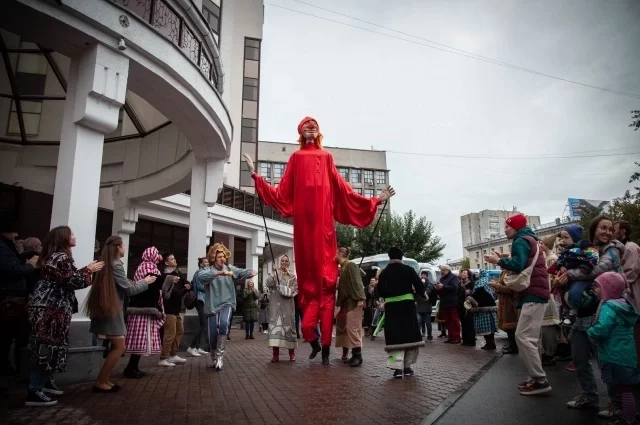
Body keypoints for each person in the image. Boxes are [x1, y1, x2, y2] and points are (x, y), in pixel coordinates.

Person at [243, 116, 395, 364]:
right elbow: (281, 194)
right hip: (303, 229)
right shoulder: (295, 158)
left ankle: (325, 352)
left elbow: (343, 189)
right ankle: (315, 343)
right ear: (301, 132)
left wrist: (375, 200)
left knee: (325, 292)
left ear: (318, 131)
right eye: (306, 127)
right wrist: (256, 176)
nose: (310, 130)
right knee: (310, 299)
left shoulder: (326, 158)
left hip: (324, 229)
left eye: (313, 127)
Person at [26, 226, 104, 406]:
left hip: (48, 307)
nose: (75, 236)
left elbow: (68, 278)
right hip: (51, 308)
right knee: (47, 348)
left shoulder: (55, 257)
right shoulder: (60, 257)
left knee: (47, 346)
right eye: (72, 234)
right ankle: (34, 390)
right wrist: (89, 270)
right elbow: (73, 281)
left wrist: (86, 270)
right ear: (63, 238)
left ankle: (43, 384)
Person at [485, 213, 551, 396]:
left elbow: (518, 264)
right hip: (536, 293)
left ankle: (540, 380)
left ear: (515, 227)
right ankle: (535, 377)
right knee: (531, 338)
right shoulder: (530, 239)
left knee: (523, 337)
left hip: (532, 294)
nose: (504, 229)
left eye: (507, 226)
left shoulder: (521, 240)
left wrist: (497, 260)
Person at [85, 236, 156, 392]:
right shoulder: (116, 265)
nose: (125, 248)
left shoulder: (108, 264)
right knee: (119, 347)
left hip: (107, 308)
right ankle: (100, 381)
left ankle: (104, 379)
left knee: (117, 346)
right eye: (123, 245)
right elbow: (129, 289)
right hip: (112, 310)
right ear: (118, 247)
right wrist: (146, 282)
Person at [192, 242, 256, 371]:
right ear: (213, 258)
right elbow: (200, 277)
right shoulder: (208, 270)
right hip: (212, 306)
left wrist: (251, 272)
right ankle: (214, 356)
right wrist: (217, 274)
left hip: (227, 303)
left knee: (223, 325)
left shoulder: (230, 269)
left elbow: (242, 272)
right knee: (211, 338)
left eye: (223, 256)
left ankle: (220, 356)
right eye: (219, 256)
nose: (222, 259)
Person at [587, 272, 640, 425]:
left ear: (608, 289)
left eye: (598, 286)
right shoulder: (623, 303)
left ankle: (628, 419)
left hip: (614, 354)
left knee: (624, 389)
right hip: (626, 354)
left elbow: (602, 329)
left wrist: (590, 332)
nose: (595, 289)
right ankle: (628, 415)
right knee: (625, 388)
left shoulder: (609, 306)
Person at [375, 247, 425, 379]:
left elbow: (379, 292)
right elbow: (420, 287)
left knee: (394, 336)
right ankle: (408, 367)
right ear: (401, 257)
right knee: (409, 335)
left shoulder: (384, 273)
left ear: (389, 257)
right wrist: (423, 295)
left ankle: (397, 369)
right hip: (407, 306)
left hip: (391, 307)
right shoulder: (408, 270)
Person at [0, 216, 39, 377]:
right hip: (10, 299)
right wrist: (30, 265)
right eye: (13, 232)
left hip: (15, 299)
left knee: (10, 336)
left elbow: (14, 262)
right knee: (7, 336)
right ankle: (6, 368)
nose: (16, 235)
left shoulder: (6, 246)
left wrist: (27, 254)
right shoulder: (2, 247)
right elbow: (13, 269)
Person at [123, 247, 164, 378]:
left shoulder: (144, 266)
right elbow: (153, 285)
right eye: (157, 254)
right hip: (144, 308)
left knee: (141, 338)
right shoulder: (148, 267)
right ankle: (131, 368)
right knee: (141, 337)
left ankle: (133, 367)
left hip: (142, 307)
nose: (158, 256)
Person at [548, 225, 599, 325]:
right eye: (562, 238)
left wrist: (586, 267)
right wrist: (561, 265)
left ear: (575, 237)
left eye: (566, 238)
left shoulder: (584, 246)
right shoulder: (566, 251)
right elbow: (560, 260)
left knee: (575, 293)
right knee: (565, 293)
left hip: (582, 277)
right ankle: (565, 312)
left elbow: (594, 255)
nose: (563, 240)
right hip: (570, 278)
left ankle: (573, 313)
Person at [334, 247, 366, 367]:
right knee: (352, 328)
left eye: (335, 253)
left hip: (354, 302)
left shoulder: (350, 265)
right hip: (349, 302)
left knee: (353, 328)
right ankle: (355, 354)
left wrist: (360, 299)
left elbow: (357, 283)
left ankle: (358, 356)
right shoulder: (345, 267)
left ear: (340, 254)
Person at [158, 253, 191, 366]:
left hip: (176, 309)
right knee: (170, 334)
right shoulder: (166, 276)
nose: (175, 260)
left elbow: (186, 282)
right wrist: (185, 289)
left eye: (175, 258)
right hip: (168, 309)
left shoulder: (178, 273)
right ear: (166, 262)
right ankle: (163, 357)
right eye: (172, 259)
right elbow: (175, 293)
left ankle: (173, 355)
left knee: (179, 331)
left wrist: (186, 286)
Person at [266, 254, 298, 362]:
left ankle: (291, 353)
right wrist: (273, 274)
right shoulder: (275, 273)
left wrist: (283, 289)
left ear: (289, 263)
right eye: (282, 261)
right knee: (276, 326)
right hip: (275, 305)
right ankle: (275, 354)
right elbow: (268, 284)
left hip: (287, 305)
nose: (284, 263)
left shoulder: (292, 276)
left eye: (286, 261)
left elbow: (295, 290)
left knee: (289, 328)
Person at [465, 270, 498, 350]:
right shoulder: (486, 280)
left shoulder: (481, 282)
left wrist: (471, 298)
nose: (476, 274)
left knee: (487, 328)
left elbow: (479, 292)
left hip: (484, 308)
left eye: (478, 272)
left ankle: (490, 344)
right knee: (489, 328)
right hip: (487, 307)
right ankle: (490, 343)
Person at [188, 257, 210, 357]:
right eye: (205, 262)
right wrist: (211, 286)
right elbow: (200, 287)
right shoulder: (200, 272)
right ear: (201, 264)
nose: (208, 263)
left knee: (204, 324)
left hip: (203, 300)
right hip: (200, 300)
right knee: (203, 324)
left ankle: (197, 347)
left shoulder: (204, 273)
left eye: (207, 261)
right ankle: (192, 347)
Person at [436, 265, 461, 344]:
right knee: (448, 320)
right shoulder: (442, 278)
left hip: (452, 302)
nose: (441, 272)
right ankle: (450, 337)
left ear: (447, 270)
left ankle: (456, 337)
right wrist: (437, 288)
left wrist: (443, 286)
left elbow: (454, 288)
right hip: (444, 302)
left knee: (454, 320)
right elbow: (441, 289)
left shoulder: (453, 277)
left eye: (443, 270)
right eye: (441, 270)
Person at [416, 272, 434, 341]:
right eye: (422, 275)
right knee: (418, 321)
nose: (422, 276)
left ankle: (429, 336)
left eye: (424, 275)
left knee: (428, 323)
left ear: (427, 276)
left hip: (427, 306)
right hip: (419, 306)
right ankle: (418, 335)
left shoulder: (430, 284)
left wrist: (422, 285)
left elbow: (427, 292)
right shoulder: (418, 283)